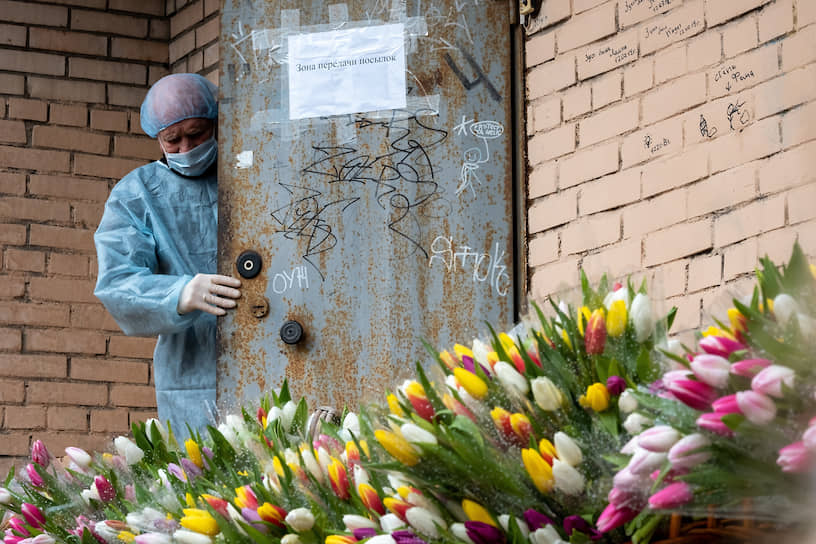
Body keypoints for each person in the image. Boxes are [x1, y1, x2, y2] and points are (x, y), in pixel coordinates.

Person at [94, 73, 241, 437]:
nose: (186, 148)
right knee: (202, 471)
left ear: (216, 124)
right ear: (157, 138)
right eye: (172, 140)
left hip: (266, 340)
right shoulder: (137, 194)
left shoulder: (247, 173)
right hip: (190, 362)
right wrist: (179, 294)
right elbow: (117, 281)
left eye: (197, 134)